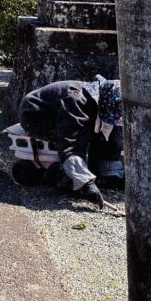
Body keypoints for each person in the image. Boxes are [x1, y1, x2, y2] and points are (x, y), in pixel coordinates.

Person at [19, 76, 123, 205]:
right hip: (35, 114)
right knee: (80, 136)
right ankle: (66, 177)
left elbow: (108, 134)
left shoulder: (99, 98)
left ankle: (106, 171)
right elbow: (70, 143)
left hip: (57, 109)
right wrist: (86, 183)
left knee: (104, 132)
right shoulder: (77, 101)